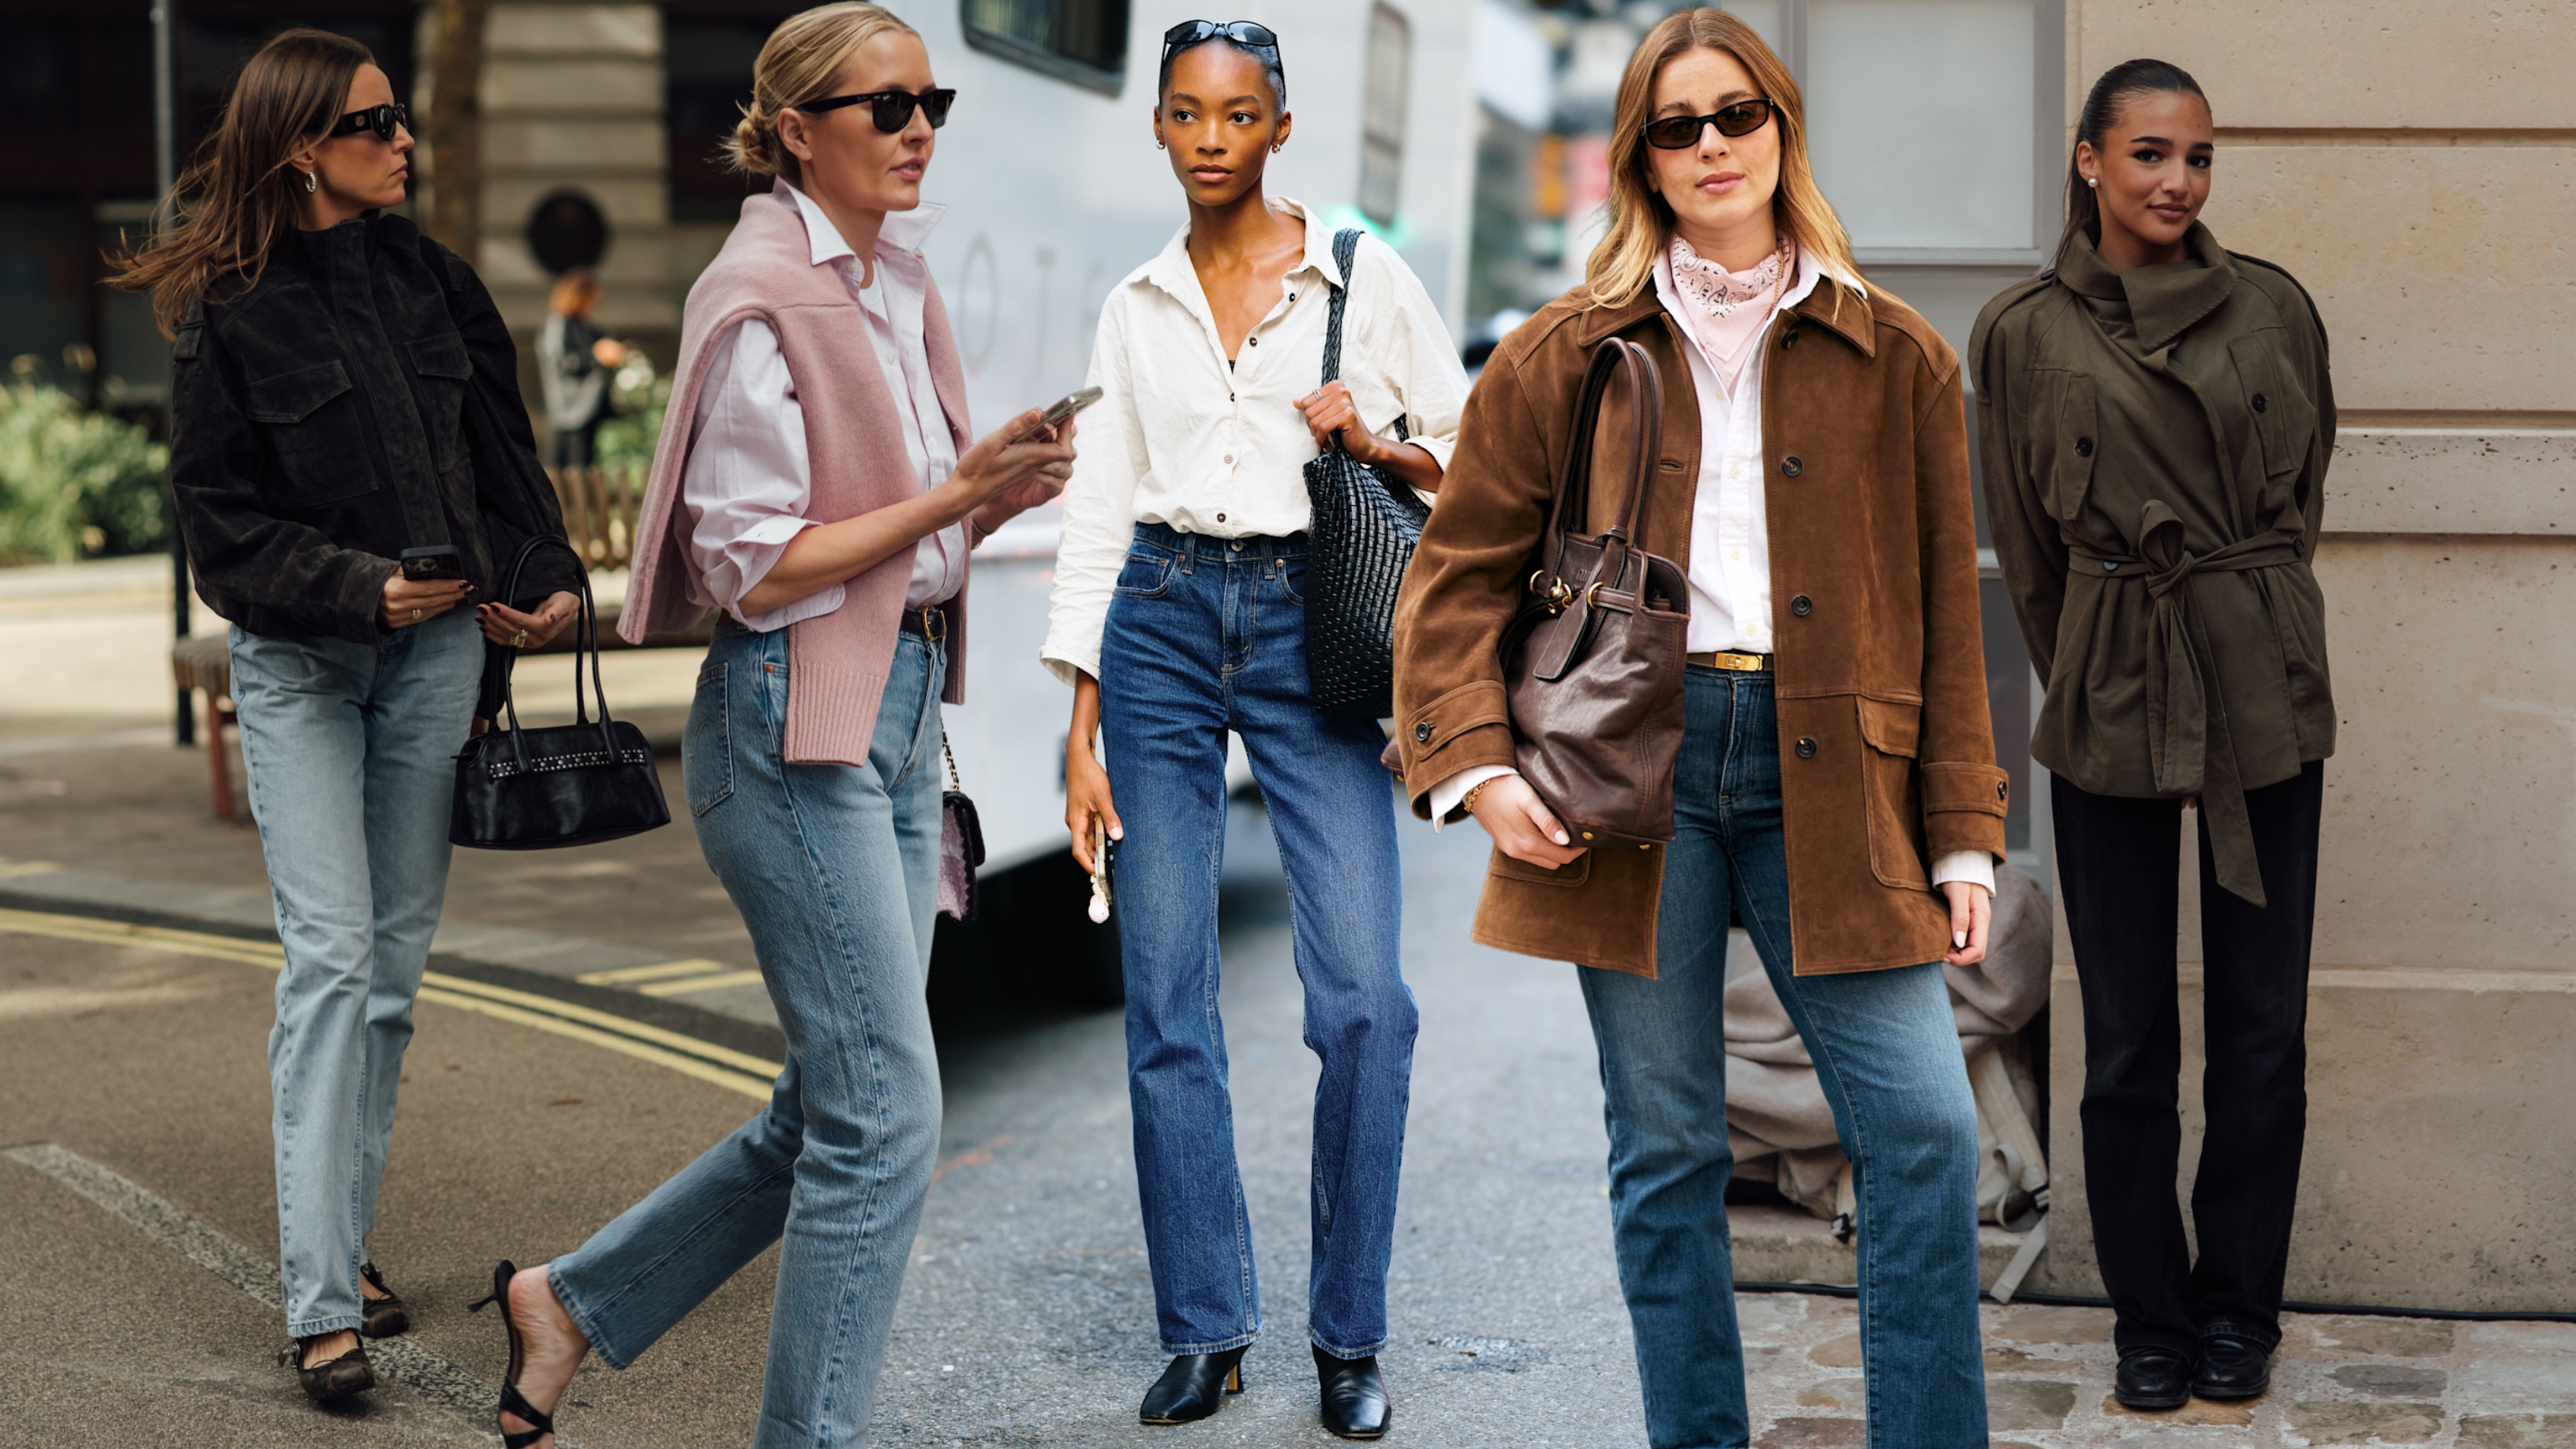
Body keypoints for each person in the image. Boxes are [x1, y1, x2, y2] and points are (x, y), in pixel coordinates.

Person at [1387, 11, 2007, 1447]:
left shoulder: (1897, 353)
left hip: (1833, 772)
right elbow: (1453, 579)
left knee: (1924, 1129)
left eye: (1737, 115)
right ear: (1642, 160)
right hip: (1626, 770)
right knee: (1666, 1147)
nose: (1713, 145)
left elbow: (1944, 608)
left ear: (1780, 127)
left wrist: (1962, 833)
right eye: (1677, 127)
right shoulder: (1565, 351)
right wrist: (1477, 769)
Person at [469, 6, 1075, 1446]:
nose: (919, 128)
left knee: (834, 1105)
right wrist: (949, 496)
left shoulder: (892, 281)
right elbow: (756, 566)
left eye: (930, 101)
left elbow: (898, 540)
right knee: (886, 1120)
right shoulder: (756, 296)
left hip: (896, 717)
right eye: (885, 107)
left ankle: (568, 1305)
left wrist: (991, 497)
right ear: (795, 130)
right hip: (793, 723)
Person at [108, 28, 582, 1403]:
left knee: (387, 979)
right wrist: (355, 587)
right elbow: (219, 528)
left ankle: (343, 1243)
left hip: (436, 666)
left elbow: (511, 479)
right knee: (327, 961)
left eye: (401, 117)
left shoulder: (439, 284)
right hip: (303, 668)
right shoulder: (228, 310)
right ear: (303, 148)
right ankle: (323, 1304)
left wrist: (548, 584)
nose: (403, 141)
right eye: (376, 125)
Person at [1041, 17, 1468, 1439]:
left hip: (1310, 622)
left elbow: (1467, 460)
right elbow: (1099, 514)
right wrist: (1080, 723)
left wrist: (1373, 440)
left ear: (1280, 128)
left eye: (1237, 114)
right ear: (1159, 127)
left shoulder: (1361, 276)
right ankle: (1206, 1328)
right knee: (1167, 997)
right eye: (1186, 113)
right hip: (1157, 625)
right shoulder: (1136, 302)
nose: (1211, 138)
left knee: (1365, 1001)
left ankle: (1348, 1337)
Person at [1972, 59, 2334, 1411]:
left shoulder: (2273, 308)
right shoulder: (2020, 332)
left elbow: (2298, 502)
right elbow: (2027, 549)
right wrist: (2096, 660)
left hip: (2260, 680)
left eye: (2196, 157)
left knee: (2262, 1026)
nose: (2176, 181)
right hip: (2109, 685)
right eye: (2146, 154)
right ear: (2088, 160)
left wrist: (2245, 619)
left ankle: (2240, 1307)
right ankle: (2148, 1314)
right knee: (2125, 1034)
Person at [536, 267, 623, 470]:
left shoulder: (584, 326)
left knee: (584, 466)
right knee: (568, 467)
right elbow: (564, 362)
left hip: (587, 408)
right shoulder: (559, 326)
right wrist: (596, 355)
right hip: (569, 408)